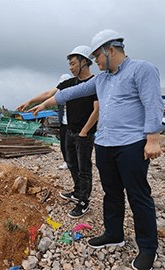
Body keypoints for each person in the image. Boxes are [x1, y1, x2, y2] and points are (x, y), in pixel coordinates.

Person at [28, 29, 164, 270]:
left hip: (131, 144)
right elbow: (70, 92)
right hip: (105, 145)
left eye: (97, 56)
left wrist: (152, 139)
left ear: (110, 50)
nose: (96, 61)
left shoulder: (142, 69)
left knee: (138, 195)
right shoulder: (101, 80)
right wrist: (44, 104)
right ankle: (114, 233)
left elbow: (153, 103)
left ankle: (148, 248)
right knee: (111, 193)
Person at [17, 45, 99, 219]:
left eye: (73, 64)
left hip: (84, 133)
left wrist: (85, 131)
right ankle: (77, 192)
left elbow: (97, 110)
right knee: (71, 162)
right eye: (69, 64)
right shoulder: (69, 83)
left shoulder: (94, 83)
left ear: (84, 62)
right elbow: (49, 93)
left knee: (84, 168)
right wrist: (30, 102)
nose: (70, 68)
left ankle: (83, 201)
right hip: (68, 131)